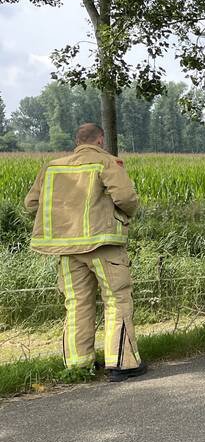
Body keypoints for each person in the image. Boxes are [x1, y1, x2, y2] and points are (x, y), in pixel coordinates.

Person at [24, 123, 146, 381]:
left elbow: (31, 203)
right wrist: (124, 215)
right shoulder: (107, 163)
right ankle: (121, 363)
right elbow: (126, 199)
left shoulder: (52, 167)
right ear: (100, 140)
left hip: (67, 250)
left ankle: (78, 365)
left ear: (77, 141)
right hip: (103, 246)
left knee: (76, 304)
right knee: (116, 301)